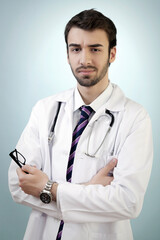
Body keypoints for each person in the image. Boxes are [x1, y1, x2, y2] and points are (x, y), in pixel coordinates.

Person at [8, 9, 153, 240]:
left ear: (112, 54)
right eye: (76, 49)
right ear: (67, 54)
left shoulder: (135, 117)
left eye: (95, 49)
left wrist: (49, 189)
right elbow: (18, 185)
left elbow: (128, 202)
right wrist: (89, 188)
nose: (84, 59)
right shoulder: (45, 109)